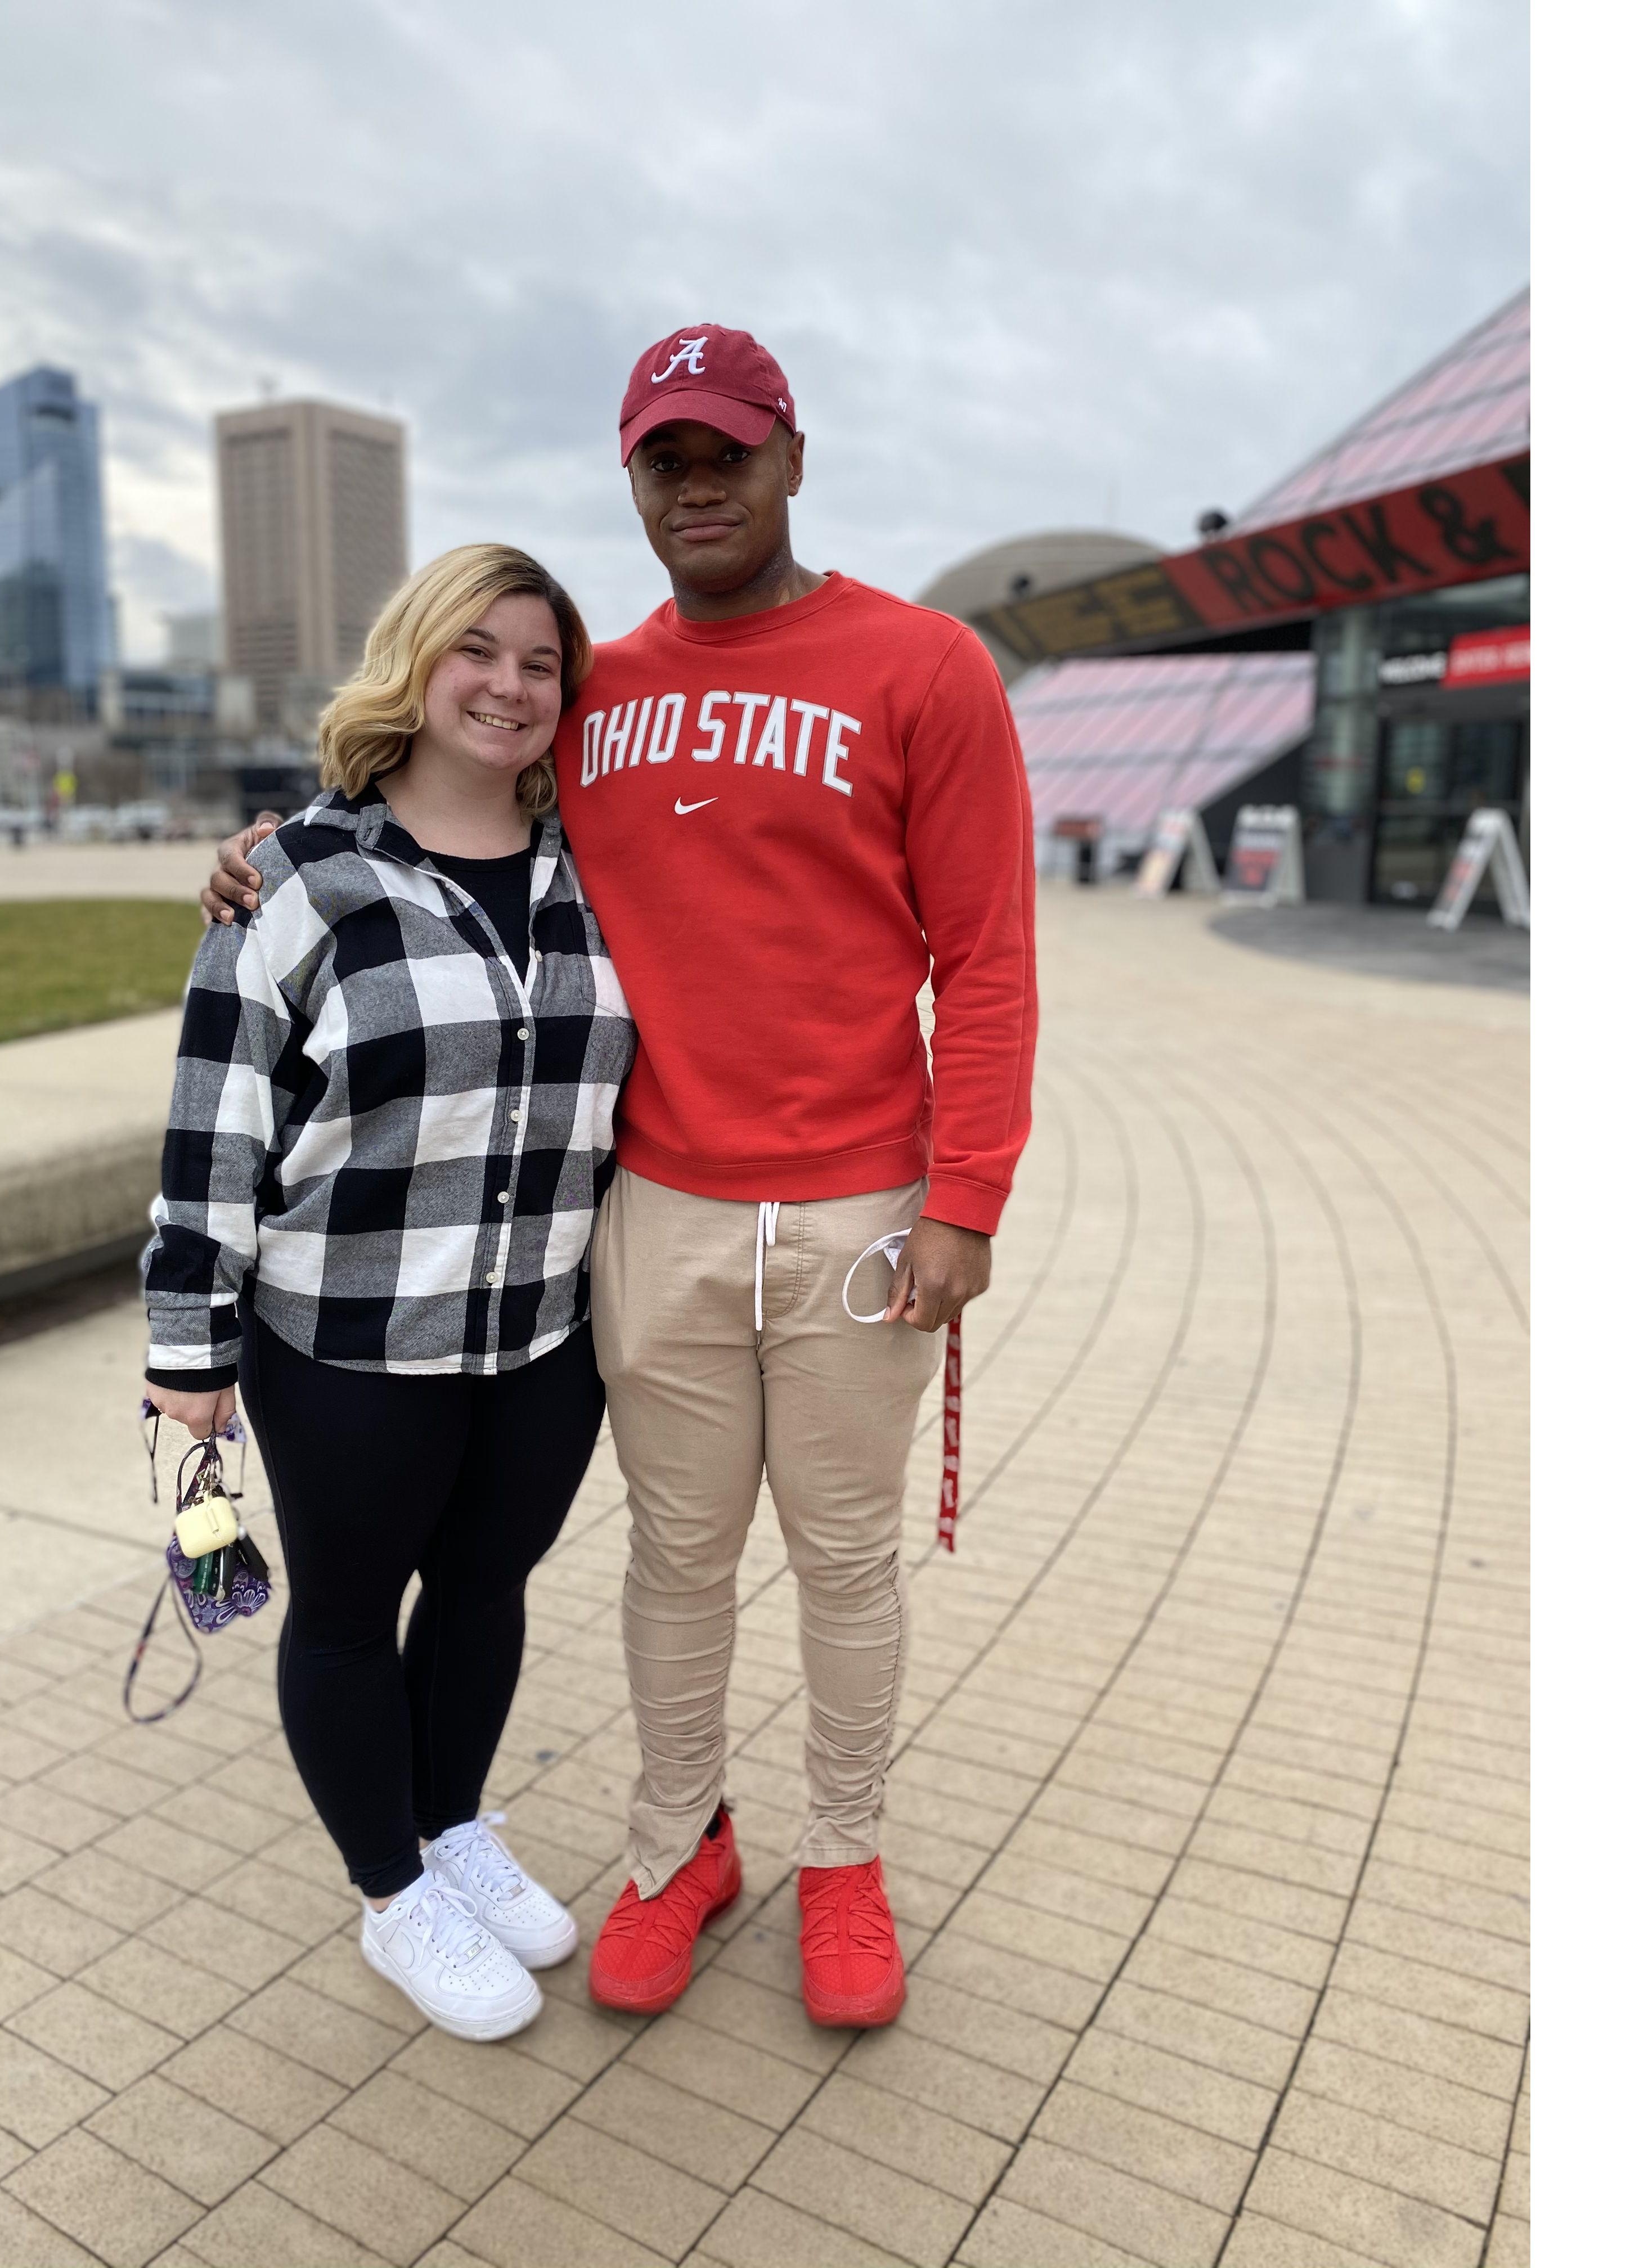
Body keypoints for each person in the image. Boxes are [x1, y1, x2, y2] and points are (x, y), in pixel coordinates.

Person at [203, 325, 1037, 2031]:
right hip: (648, 1207)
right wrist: (272, 845)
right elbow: (447, 792)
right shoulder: (603, 694)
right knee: (674, 1555)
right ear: (635, 481)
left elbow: (993, 957)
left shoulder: (927, 665)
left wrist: (968, 1201)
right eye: (666, 457)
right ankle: (675, 1848)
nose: (700, 481)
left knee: (848, 1558)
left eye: (730, 449)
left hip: (865, 1207)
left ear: (792, 458)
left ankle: (848, 1859)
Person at [144, 542, 636, 2042]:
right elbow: (214, 1116)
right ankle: (391, 1891)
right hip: (347, 1339)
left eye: (541, 662)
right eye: (476, 651)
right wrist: (189, 1344)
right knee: (351, 1618)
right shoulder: (300, 877)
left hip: (545, 1334)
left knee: (486, 1592)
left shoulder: (603, 872)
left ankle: (454, 1825)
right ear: (415, 666)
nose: (508, 684)